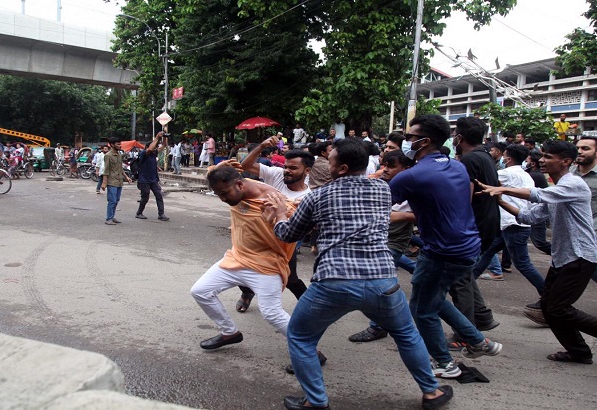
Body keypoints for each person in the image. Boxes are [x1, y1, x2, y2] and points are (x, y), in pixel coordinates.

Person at [267, 138, 453, 410]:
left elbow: (289, 234)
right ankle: (431, 393)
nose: (324, 164)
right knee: (406, 333)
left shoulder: (317, 196)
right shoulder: (382, 190)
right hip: (382, 281)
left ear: (341, 168)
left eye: (328, 161)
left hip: (333, 283)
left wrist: (279, 215)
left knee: (300, 336)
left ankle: (316, 402)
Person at [478, 140, 597, 367]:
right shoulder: (556, 191)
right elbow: (529, 216)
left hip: (580, 256)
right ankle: (579, 352)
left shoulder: (573, 184)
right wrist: (500, 200)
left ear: (565, 161)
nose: (542, 160)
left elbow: (535, 195)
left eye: (548, 157)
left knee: (558, 309)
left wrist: (503, 188)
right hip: (563, 257)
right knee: (549, 308)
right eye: (542, 156)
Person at [389, 114, 503, 379]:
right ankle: (478, 341)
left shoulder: (411, 176)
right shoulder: (456, 166)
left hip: (443, 251)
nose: (405, 142)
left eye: (410, 138)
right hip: (466, 245)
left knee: (422, 309)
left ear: (424, 141)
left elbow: (377, 207)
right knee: (434, 297)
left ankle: (444, 363)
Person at [190, 166, 296, 355]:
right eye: (218, 194)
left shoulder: (274, 201)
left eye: (224, 193)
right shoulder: (231, 182)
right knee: (200, 291)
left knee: (271, 313)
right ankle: (229, 333)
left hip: (265, 265)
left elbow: (297, 227)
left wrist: (280, 217)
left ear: (239, 184)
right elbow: (219, 170)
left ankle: (310, 351)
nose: (223, 199)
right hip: (237, 258)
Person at [232, 136, 314, 313]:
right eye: (286, 166)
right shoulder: (275, 174)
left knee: (291, 278)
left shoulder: (308, 197)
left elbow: (306, 227)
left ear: (307, 171)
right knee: (243, 268)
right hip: (257, 236)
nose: (287, 171)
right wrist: (261, 146)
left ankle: (310, 305)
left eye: (293, 168)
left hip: (284, 242)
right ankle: (247, 293)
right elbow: (245, 166)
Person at [348, 149, 420, 343]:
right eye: (384, 165)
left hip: (394, 240)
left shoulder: (412, 188)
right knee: (382, 281)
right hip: (379, 239)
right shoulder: (383, 184)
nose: (385, 170)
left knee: (378, 283)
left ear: (406, 168)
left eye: (390, 166)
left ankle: (379, 326)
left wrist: (389, 216)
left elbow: (419, 214)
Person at [471, 144, 545, 300]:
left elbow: (485, 180)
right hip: (513, 223)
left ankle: (547, 294)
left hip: (513, 223)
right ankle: (466, 282)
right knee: (487, 253)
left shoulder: (505, 174)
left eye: (504, 155)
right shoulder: (526, 175)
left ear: (508, 158)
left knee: (523, 263)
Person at [450, 116, 501, 333]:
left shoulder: (470, 160)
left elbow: (465, 199)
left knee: (458, 277)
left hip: (474, 226)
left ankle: (466, 332)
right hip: (487, 223)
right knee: (465, 273)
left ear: (459, 137)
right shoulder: (486, 156)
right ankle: (482, 316)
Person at [135, 134, 170, 221]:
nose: (155, 148)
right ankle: (139, 212)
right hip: (144, 180)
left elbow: (164, 145)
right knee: (145, 197)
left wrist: (165, 136)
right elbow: (150, 149)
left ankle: (161, 214)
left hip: (153, 180)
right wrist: (157, 137)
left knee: (159, 196)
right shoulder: (143, 153)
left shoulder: (153, 154)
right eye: (154, 146)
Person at [102, 137, 132, 225]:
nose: (120, 145)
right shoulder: (108, 155)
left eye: (120, 144)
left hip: (119, 181)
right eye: (117, 144)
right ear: (112, 145)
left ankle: (112, 216)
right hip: (111, 182)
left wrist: (126, 177)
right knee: (112, 201)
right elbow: (106, 170)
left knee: (116, 200)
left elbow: (120, 168)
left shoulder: (119, 155)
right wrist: (104, 182)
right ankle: (109, 218)